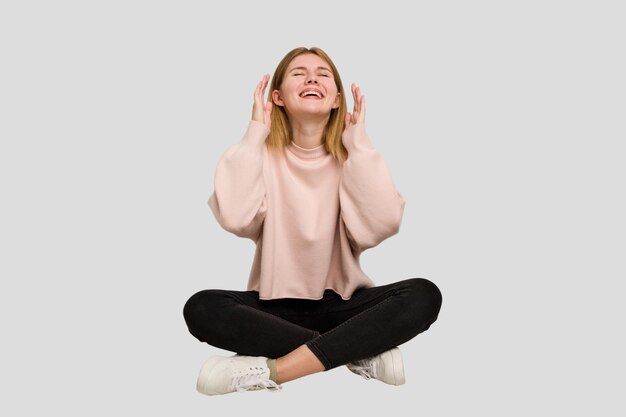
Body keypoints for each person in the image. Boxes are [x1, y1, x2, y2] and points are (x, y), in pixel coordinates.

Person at [183, 46, 443, 396]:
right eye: (298, 73)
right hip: (271, 310)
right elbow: (234, 216)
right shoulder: (258, 155)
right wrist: (254, 132)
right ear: (277, 97)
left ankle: (276, 369)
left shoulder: (354, 159)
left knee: (424, 295)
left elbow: (380, 225)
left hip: (343, 305)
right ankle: (356, 352)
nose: (311, 78)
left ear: (337, 99)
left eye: (323, 74)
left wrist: (360, 145)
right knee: (201, 307)